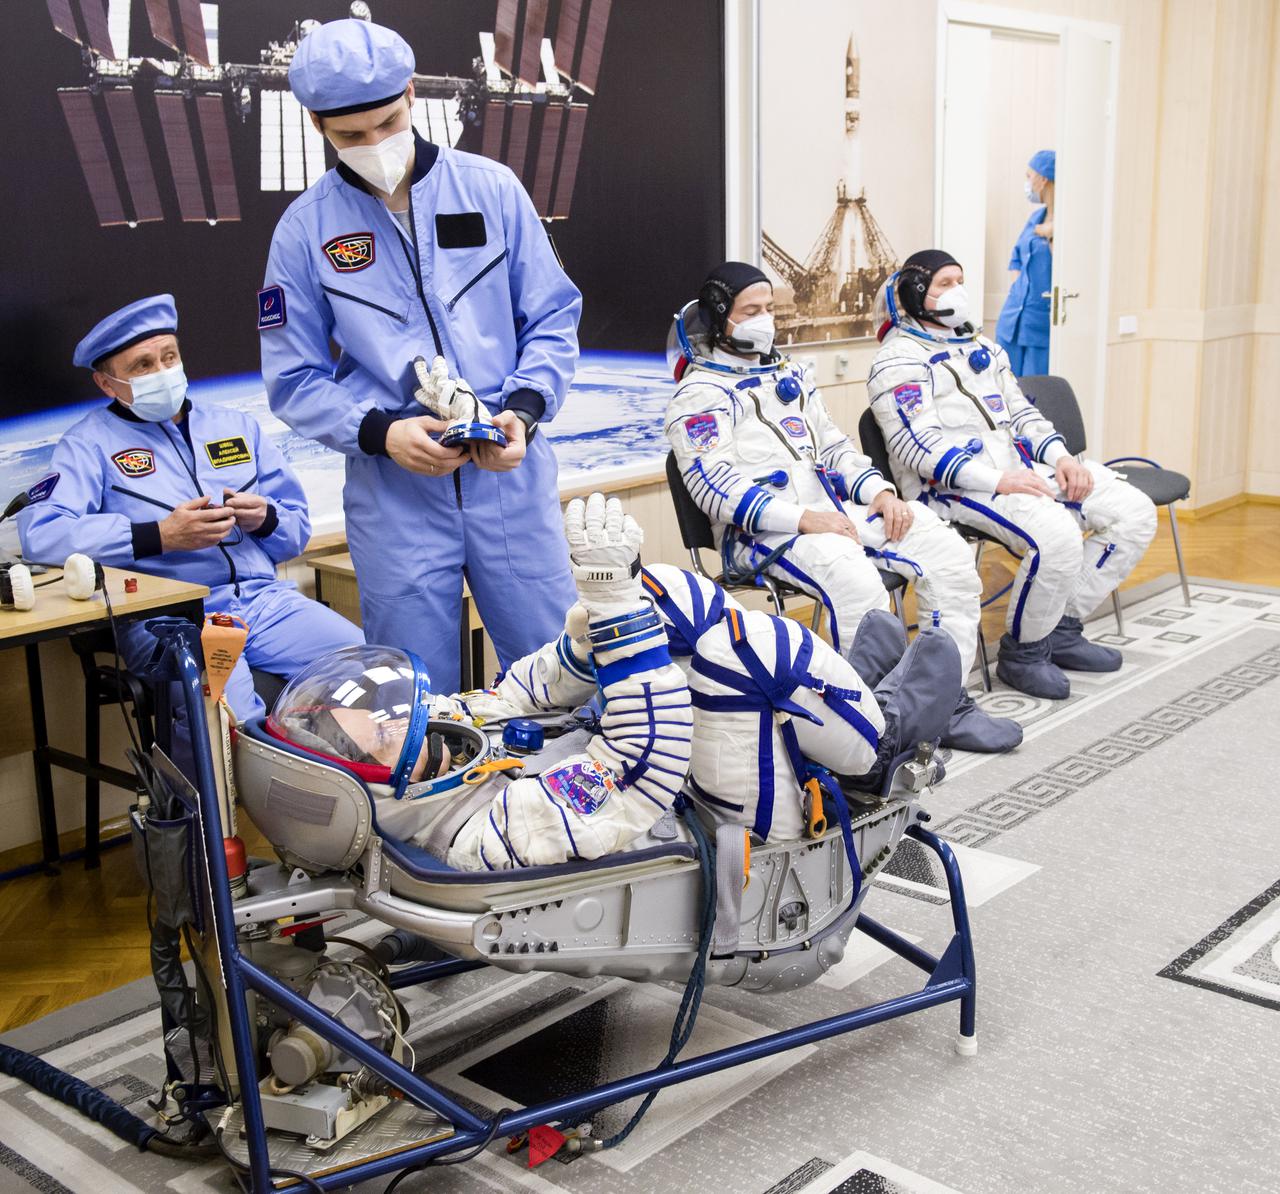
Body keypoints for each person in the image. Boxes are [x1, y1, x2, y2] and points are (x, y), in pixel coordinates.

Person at [270, 495, 962, 871]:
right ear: (381, 789)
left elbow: (520, 694)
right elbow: (636, 764)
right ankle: (880, 748)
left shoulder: (437, 752)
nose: (396, 720)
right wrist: (613, 611)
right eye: (380, 736)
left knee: (664, 594)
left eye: (384, 713)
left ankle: (855, 691)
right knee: (740, 652)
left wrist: (596, 625)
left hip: (685, 775)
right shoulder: (487, 832)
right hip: (717, 827)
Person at [260, 17, 581, 693]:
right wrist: (380, 433)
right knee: (412, 697)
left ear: (411, 95)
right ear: (317, 124)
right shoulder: (303, 232)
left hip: (509, 481)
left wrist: (524, 411)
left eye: (387, 122)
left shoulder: (492, 190)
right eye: (351, 135)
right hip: (396, 498)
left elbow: (552, 316)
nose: (375, 144)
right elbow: (293, 377)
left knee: (558, 676)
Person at [662, 261, 1021, 754]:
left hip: (830, 516)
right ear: (719, 317)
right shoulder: (698, 396)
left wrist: (880, 493)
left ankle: (943, 704)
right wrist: (804, 519)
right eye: (750, 311)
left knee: (947, 554)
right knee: (857, 582)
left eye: (769, 309)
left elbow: (834, 448)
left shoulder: (790, 376)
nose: (764, 320)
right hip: (762, 535)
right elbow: (713, 487)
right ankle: (870, 727)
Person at [18, 294, 364, 723]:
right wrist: (160, 535)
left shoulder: (236, 426)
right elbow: (42, 535)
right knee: (230, 717)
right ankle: (227, 769)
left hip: (263, 602)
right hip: (172, 619)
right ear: (107, 384)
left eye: (169, 357)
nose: (162, 372)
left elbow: (295, 532)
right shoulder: (87, 444)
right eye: (143, 365)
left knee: (371, 672)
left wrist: (265, 518)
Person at [867, 250, 1157, 699]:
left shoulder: (983, 348)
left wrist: (1062, 458)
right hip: (950, 489)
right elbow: (917, 449)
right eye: (945, 284)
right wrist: (998, 481)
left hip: (1016, 471)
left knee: (1133, 511)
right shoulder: (897, 361)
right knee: (1057, 536)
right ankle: (1024, 652)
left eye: (960, 280)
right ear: (915, 293)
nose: (958, 291)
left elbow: (1022, 415)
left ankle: (1061, 627)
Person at [995, 149, 1056, 377]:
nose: (1027, 182)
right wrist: (1018, 289)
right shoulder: (1035, 218)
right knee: (1004, 382)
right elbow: (1016, 258)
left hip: (1039, 325)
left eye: (1029, 176)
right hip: (1013, 318)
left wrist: (1052, 235)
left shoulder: (1067, 222)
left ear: (1043, 179)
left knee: (1035, 390)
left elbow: (1068, 268)